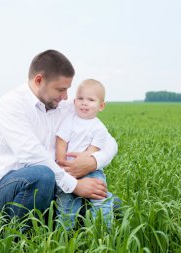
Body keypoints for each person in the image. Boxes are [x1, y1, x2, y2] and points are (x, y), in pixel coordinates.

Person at [0, 50, 118, 223]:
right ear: (39, 80)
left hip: (54, 186)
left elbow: (109, 141)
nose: (65, 97)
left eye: (67, 90)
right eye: (60, 89)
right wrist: (76, 186)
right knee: (42, 175)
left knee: (114, 205)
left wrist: (93, 161)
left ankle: (55, 225)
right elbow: (33, 156)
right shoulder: (12, 105)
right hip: (0, 191)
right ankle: (20, 238)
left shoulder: (63, 106)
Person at [55, 79, 115, 229]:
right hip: (67, 169)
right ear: (74, 101)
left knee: (99, 196)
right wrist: (63, 165)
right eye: (80, 98)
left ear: (101, 106)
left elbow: (92, 153)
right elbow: (61, 143)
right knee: (66, 199)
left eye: (90, 100)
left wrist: (82, 166)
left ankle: (102, 230)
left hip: (91, 170)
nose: (84, 103)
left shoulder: (99, 128)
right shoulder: (69, 121)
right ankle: (65, 231)